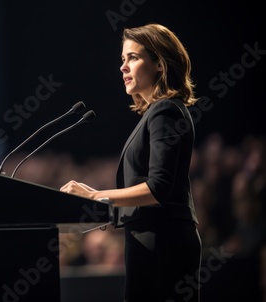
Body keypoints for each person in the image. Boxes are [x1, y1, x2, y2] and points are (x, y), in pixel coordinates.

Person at [60, 23, 202, 301]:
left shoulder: (166, 111)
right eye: (122, 60)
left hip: (163, 241)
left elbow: (158, 188)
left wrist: (95, 195)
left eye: (133, 58)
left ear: (160, 64)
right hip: (151, 237)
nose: (123, 67)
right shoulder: (156, 114)